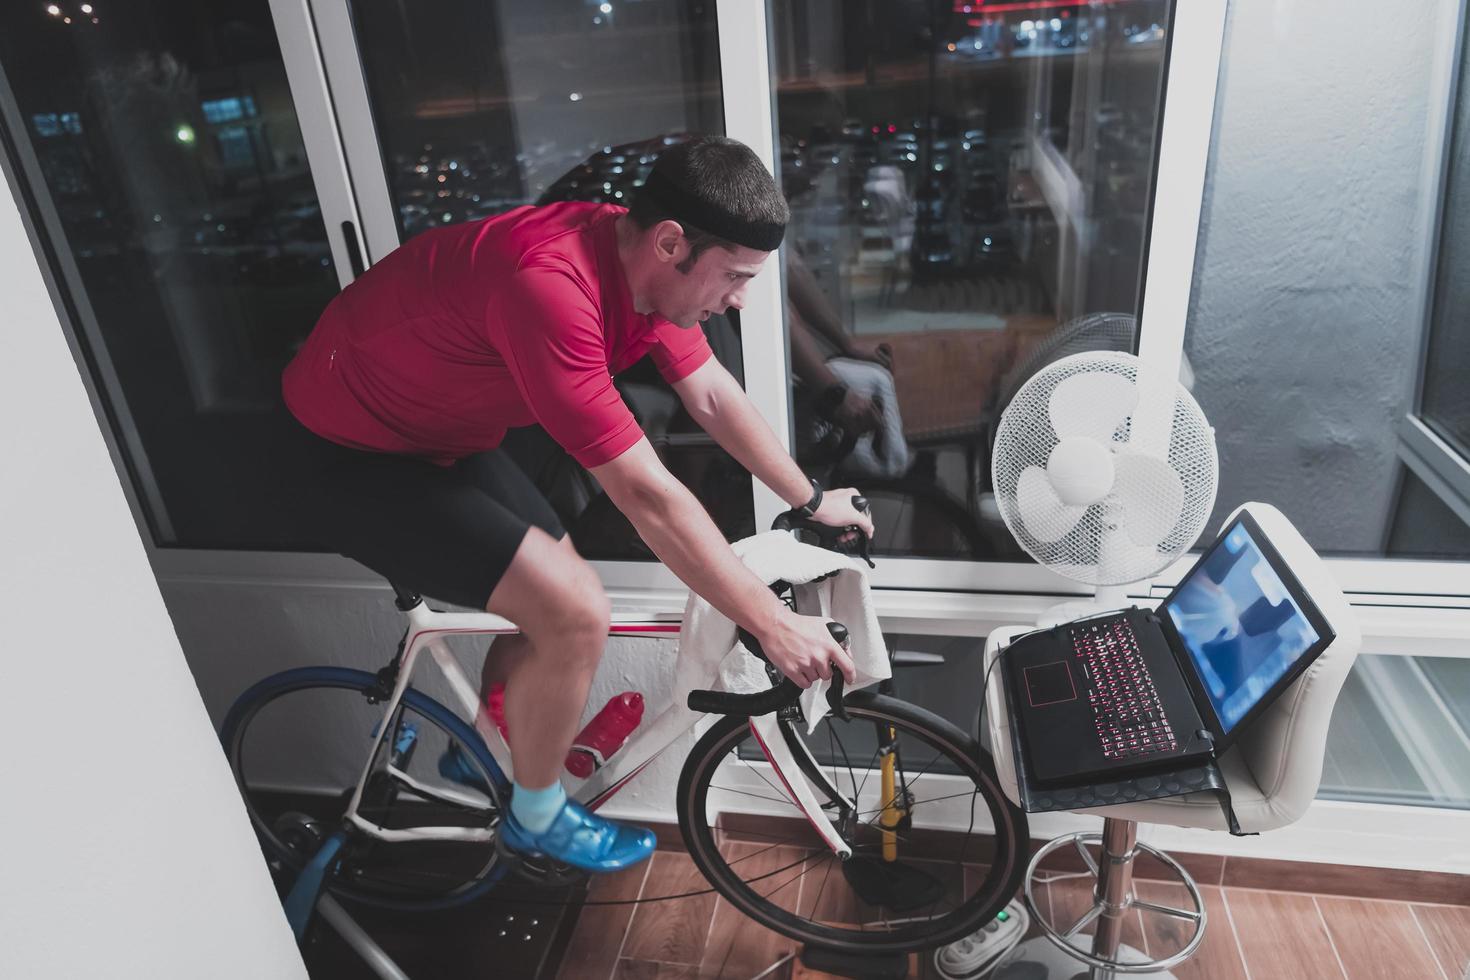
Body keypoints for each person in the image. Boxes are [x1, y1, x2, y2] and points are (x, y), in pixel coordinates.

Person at [281, 136, 873, 874]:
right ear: (671, 244)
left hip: (441, 432)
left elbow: (714, 395)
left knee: (552, 594)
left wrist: (810, 500)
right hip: (352, 451)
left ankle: (488, 757)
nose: (745, 296)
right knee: (573, 610)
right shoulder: (552, 288)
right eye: (738, 276)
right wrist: (773, 623)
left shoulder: (642, 271)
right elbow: (647, 497)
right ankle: (533, 818)